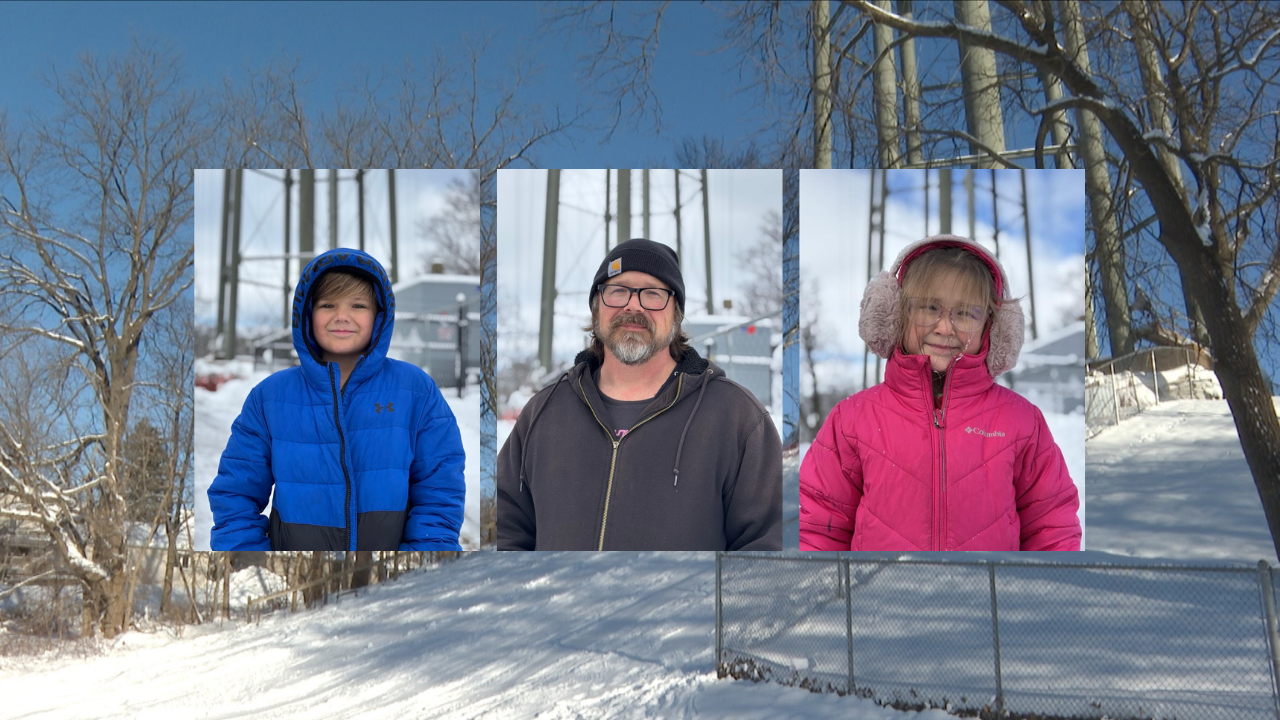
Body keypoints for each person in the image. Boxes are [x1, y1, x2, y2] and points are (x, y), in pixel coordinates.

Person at [799, 234, 1080, 551]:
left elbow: (1053, 529)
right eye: (929, 307)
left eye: (965, 313)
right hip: (876, 601)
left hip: (992, 600)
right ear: (895, 315)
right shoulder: (851, 421)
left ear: (993, 327)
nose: (945, 328)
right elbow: (818, 531)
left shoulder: (1022, 422)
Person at [498, 238, 782, 550]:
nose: (633, 306)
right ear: (596, 309)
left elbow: (764, 551)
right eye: (617, 291)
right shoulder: (544, 412)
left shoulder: (737, 418)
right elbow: (506, 533)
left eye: (653, 293)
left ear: (676, 314)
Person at [208, 248, 466, 551]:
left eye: (358, 305)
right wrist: (259, 564)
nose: (342, 316)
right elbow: (235, 495)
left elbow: (440, 491)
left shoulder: (416, 392)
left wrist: (418, 565)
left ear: (378, 315)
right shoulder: (269, 398)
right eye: (328, 304)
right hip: (298, 581)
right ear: (307, 314)